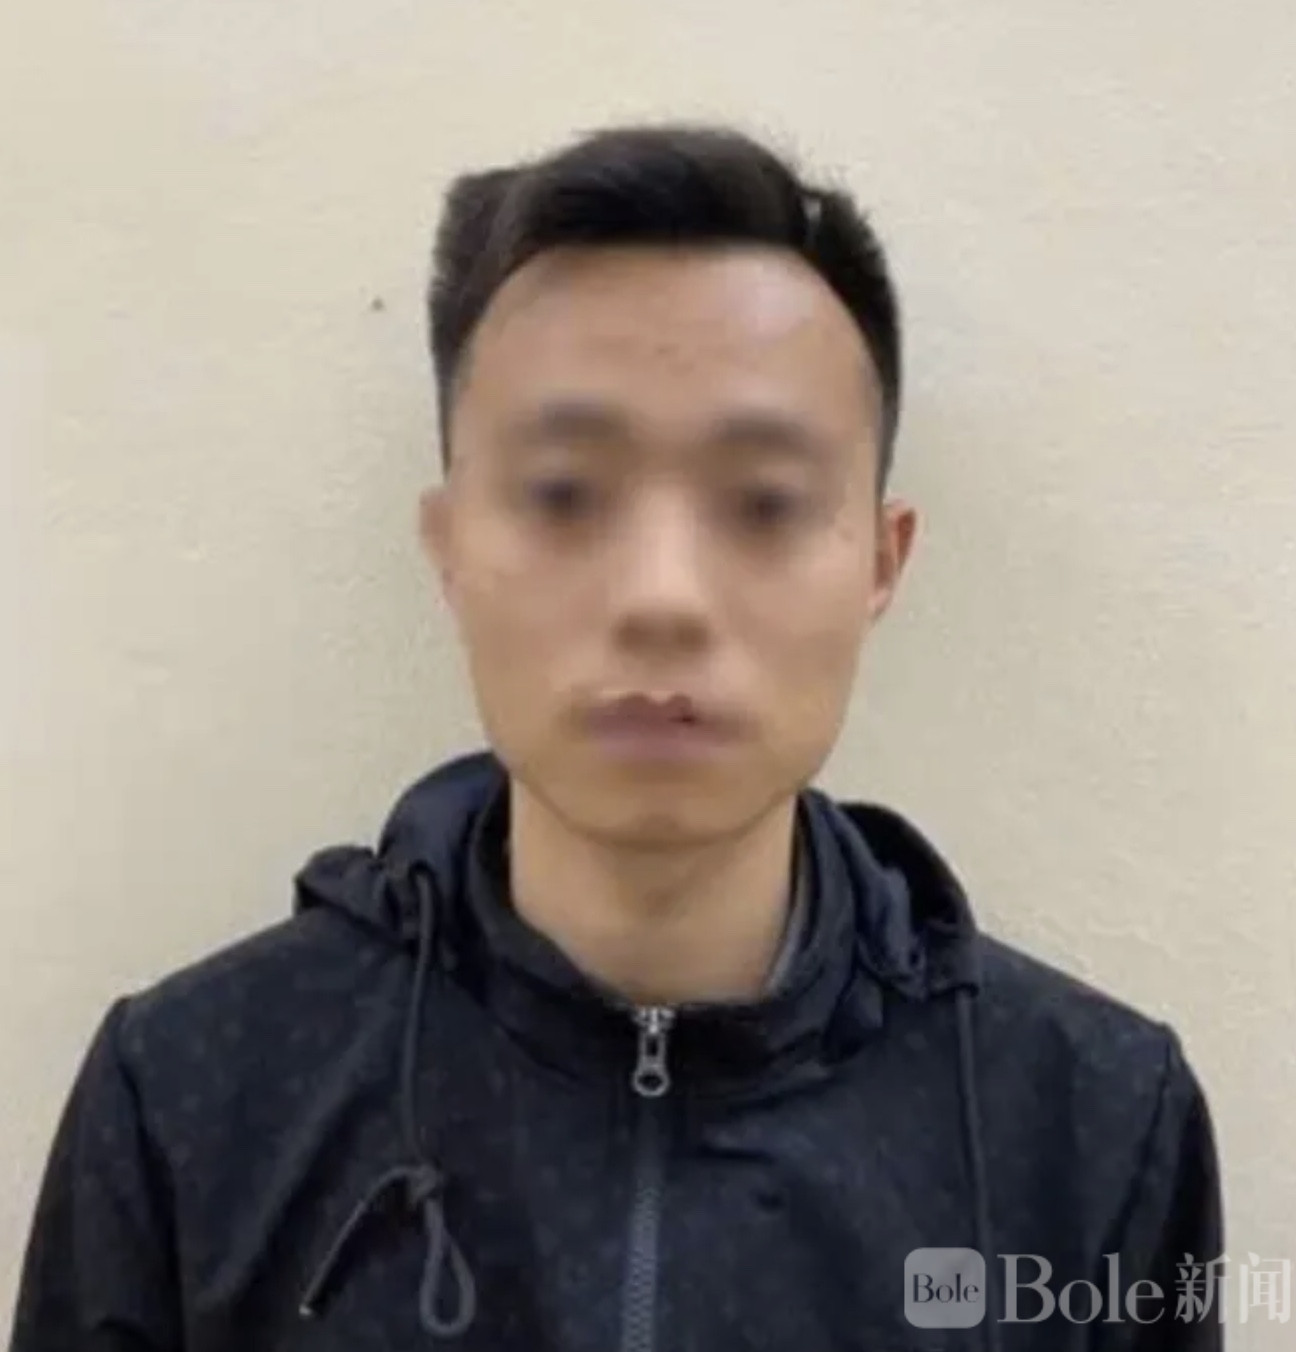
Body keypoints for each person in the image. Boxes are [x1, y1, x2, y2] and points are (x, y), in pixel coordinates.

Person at [10, 123, 1223, 1351]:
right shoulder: (193, 1094)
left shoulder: (1093, 1122)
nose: (661, 596)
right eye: (563, 492)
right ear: (449, 547)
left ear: (880, 558)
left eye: (765, 501)